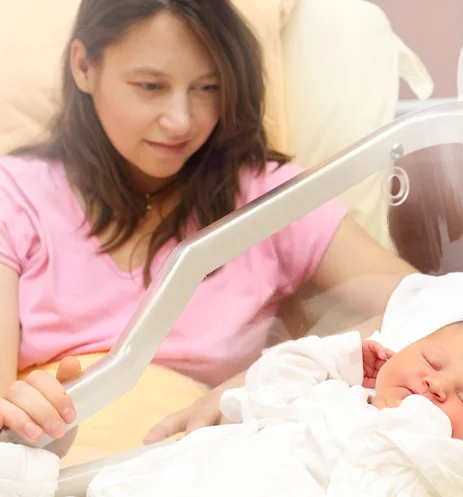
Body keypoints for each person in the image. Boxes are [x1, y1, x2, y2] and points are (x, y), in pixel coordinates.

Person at [0, 0, 417, 447]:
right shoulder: (16, 194)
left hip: (208, 464)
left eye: (207, 88)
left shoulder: (266, 201)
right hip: (48, 461)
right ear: (84, 66)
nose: (181, 121)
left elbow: (437, 307)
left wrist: (276, 375)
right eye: (150, 86)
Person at [224, 308, 463, 443]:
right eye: (432, 361)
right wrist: (342, 358)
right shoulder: (335, 391)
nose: (438, 385)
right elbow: (267, 381)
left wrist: (424, 419)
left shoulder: (431, 460)